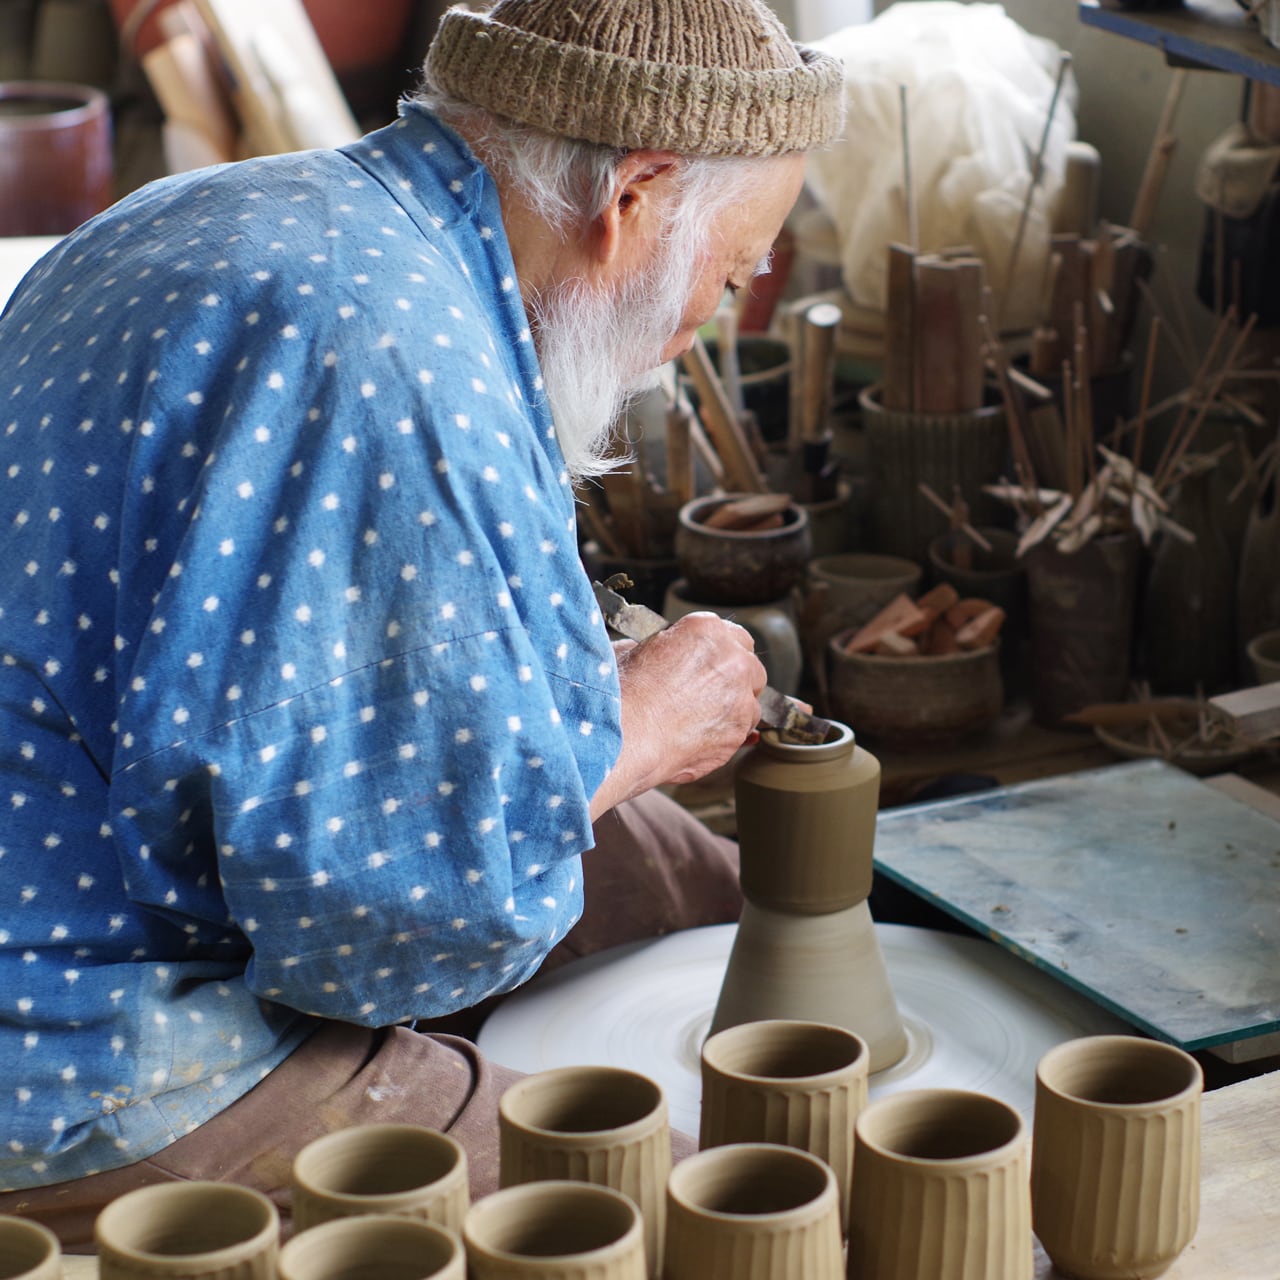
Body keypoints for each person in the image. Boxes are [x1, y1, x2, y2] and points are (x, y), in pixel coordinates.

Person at [0, 0, 844, 1246]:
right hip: (74, 1039)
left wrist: (598, 724)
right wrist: (646, 725)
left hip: (86, 826)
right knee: (732, 1217)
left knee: (677, 871)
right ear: (637, 198)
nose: (704, 324)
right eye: (726, 275)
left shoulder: (265, 214)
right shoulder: (391, 363)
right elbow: (385, 929)